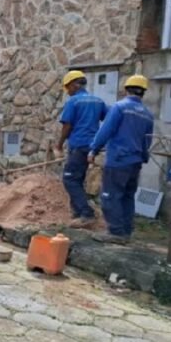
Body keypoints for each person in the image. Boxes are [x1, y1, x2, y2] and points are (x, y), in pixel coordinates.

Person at [88, 75, 154, 244]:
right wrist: (143, 157)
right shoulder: (147, 115)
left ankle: (116, 232)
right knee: (127, 197)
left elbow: (106, 130)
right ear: (143, 92)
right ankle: (126, 231)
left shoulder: (120, 107)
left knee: (110, 195)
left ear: (126, 90)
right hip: (135, 162)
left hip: (118, 160)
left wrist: (94, 149)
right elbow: (147, 140)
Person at [56, 70, 108, 228]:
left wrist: (59, 144)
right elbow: (108, 120)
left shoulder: (73, 102)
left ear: (74, 85)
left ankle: (86, 213)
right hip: (92, 146)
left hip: (78, 145)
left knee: (69, 179)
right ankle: (77, 213)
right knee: (78, 179)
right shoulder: (98, 101)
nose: (68, 92)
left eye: (67, 88)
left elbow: (67, 125)